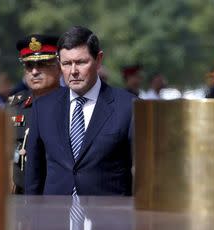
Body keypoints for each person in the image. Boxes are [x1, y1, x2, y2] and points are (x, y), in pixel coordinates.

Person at [25, 26, 134, 196]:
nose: (73, 71)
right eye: (66, 64)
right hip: (54, 217)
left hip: (109, 218)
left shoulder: (128, 107)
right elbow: (34, 174)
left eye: (81, 62)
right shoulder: (43, 108)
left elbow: (142, 173)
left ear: (98, 60)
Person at [9, 34, 61, 194]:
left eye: (42, 64)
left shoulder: (71, 104)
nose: (34, 71)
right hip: (20, 196)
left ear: (59, 66)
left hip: (56, 196)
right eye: (29, 65)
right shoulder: (14, 105)